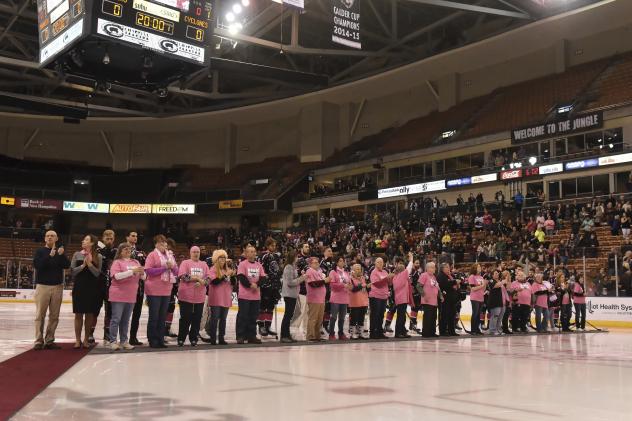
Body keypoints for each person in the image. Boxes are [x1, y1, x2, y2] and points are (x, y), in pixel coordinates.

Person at [32, 230, 70, 350]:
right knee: (40, 315)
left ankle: (49, 340)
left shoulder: (60, 251)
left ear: (56, 238)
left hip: (57, 287)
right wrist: (50, 256)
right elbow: (38, 266)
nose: (49, 237)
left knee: (54, 315)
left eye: (52, 236)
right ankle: (38, 340)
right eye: (47, 236)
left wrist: (62, 255)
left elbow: (67, 265)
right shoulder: (40, 251)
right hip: (42, 286)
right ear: (44, 239)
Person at [108, 242, 145, 351]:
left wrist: (142, 273)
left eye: (129, 249)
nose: (128, 251)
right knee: (116, 319)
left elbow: (144, 277)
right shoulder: (117, 263)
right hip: (118, 295)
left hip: (131, 295)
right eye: (125, 249)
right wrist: (132, 272)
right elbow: (117, 276)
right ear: (120, 251)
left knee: (125, 320)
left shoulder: (136, 261)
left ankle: (124, 341)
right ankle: (113, 341)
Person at [144, 235, 178, 348]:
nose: (164, 245)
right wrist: (164, 268)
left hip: (166, 289)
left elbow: (176, 271)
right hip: (154, 289)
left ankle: (160, 338)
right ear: (156, 244)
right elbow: (148, 271)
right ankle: (152, 339)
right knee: (154, 316)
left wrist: (171, 267)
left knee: (162, 316)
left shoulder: (170, 255)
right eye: (161, 243)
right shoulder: (152, 255)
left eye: (164, 243)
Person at [70, 234, 103, 349]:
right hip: (79, 287)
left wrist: (89, 265)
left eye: (86, 240)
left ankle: (85, 340)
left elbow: (98, 274)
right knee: (78, 314)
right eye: (83, 239)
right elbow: (72, 272)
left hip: (92, 288)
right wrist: (82, 266)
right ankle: (78, 340)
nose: (83, 241)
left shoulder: (98, 256)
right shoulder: (77, 254)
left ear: (92, 243)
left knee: (89, 314)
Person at [177, 246, 210, 347]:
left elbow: (208, 279)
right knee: (185, 318)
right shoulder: (185, 263)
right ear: (190, 253)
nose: (196, 254)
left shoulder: (204, 264)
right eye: (194, 252)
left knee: (197, 319)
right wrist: (196, 278)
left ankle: (193, 338)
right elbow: (183, 276)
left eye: (198, 252)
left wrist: (202, 282)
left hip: (199, 297)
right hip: (186, 296)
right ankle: (181, 338)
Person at [236, 245, 267, 344]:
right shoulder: (242, 264)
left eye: (254, 251)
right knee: (243, 316)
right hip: (244, 295)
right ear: (246, 253)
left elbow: (263, 278)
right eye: (250, 251)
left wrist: (257, 284)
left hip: (256, 296)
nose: (253, 253)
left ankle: (251, 336)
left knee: (253, 317)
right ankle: (240, 336)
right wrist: (250, 285)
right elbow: (241, 277)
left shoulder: (259, 265)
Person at [207, 249, 235, 345]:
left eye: (224, 258)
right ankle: (213, 338)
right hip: (216, 297)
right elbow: (214, 282)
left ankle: (221, 337)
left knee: (223, 318)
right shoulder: (213, 269)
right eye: (220, 258)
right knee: (215, 318)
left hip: (226, 297)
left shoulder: (227, 269)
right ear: (216, 259)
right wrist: (225, 275)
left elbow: (233, 283)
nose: (223, 260)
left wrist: (233, 275)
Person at [94, 229, 116, 344]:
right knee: (94, 310)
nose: (109, 240)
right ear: (103, 238)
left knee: (110, 312)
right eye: (107, 238)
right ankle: (90, 333)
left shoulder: (116, 251)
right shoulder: (97, 249)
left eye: (111, 238)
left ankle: (107, 333)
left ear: (114, 239)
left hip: (111, 286)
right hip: (98, 284)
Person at [257, 238, 283, 337]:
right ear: (267, 245)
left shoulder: (276, 256)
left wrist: (278, 284)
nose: (274, 247)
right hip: (265, 285)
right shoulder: (263, 255)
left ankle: (268, 327)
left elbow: (277, 270)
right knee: (263, 306)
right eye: (272, 245)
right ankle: (261, 326)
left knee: (270, 307)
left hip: (274, 285)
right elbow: (260, 268)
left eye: (275, 245)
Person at [280, 249, 305, 343]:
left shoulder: (293, 267)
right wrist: (302, 278)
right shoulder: (289, 267)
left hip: (293, 294)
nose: (297, 258)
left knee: (289, 315)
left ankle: (287, 334)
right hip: (289, 294)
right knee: (288, 315)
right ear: (293, 257)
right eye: (296, 256)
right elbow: (290, 282)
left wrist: (300, 277)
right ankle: (284, 335)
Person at [127, 231, 146, 346]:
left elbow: (144, 267)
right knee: (124, 314)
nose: (135, 238)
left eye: (136, 236)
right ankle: (122, 337)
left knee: (136, 314)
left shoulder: (141, 252)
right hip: (126, 287)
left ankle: (133, 337)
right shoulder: (121, 250)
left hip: (139, 288)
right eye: (132, 235)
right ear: (127, 237)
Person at [305, 257, 329, 342]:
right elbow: (312, 284)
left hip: (321, 299)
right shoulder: (309, 271)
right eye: (314, 263)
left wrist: (324, 281)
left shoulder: (318, 272)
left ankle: (317, 335)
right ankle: (311, 336)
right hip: (314, 298)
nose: (317, 264)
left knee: (319, 319)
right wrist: (324, 281)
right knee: (313, 318)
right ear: (310, 264)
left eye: (317, 262)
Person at [369, 257, 394, 339]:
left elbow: (389, 284)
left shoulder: (385, 272)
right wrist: (387, 278)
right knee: (375, 315)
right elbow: (376, 284)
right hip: (375, 296)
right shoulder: (374, 272)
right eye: (378, 262)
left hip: (384, 296)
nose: (380, 264)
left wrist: (391, 278)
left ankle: (380, 331)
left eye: (381, 262)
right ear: (375, 263)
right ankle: (373, 332)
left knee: (381, 315)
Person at [290, 243, 311, 339]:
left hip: (310, 290)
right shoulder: (299, 260)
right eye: (305, 246)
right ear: (301, 248)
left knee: (307, 312)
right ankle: (293, 331)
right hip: (301, 290)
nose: (308, 248)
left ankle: (306, 331)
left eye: (308, 246)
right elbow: (295, 273)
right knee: (300, 312)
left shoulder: (310, 260)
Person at [328, 255, 350, 340]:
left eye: (343, 260)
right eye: (340, 260)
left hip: (344, 297)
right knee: (333, 316)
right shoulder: (333, 272)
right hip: (336, 297)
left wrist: (349, 286)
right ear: (336, 262)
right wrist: (343, 285)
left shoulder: (346, 272)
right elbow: (332, 285)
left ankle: (341, 333)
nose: (342, 262)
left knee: (342, 317)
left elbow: (349, 283)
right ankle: (331, 334)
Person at [392, 253, 414, 338]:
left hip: (399, 299)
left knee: (401, 316)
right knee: (401, 317)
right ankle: (398, 332)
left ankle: (402, 331)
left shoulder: (395, 277)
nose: (404, 267)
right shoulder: (403, 275)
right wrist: (411, 259)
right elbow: (409, 267)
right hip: (402, 299)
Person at [420, 261, 440, 337]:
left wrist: (440, 296)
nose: (434, 268)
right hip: (427, 300)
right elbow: (419, 286)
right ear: (428, 268)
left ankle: (432, 332)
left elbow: (437, 287)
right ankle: (426, 332)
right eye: (433, 267)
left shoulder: (434, 277)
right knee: (427, 317)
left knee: (433, 317)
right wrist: (424, 295)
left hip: (434, 301)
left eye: (434, 267)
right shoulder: (424, 275)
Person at [438, 262, 459, 336]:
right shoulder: (441, 276)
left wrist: (454, 282)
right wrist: (454, 282)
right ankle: (443, 331)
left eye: (448, 267)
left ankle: (451, 330)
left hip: (451, 298)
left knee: (452, 314)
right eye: (446, 267)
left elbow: (453, 284)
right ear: (442, 268)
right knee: (444, 315)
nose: (448, 268)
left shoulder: (450, 275)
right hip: (445, 298)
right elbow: (444, 284)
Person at [348, 263, 369, 340]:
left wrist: (366, 286)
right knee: (354, 318)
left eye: (359, 269)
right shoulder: (350, 278)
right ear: (353, 270)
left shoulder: (363, 278)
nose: (359, 270)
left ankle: (361, 333)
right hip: (354, 302)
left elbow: (366, 288)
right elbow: (353, 289)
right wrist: (362, 285)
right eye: (357, 269)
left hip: (363, 301)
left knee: (361, 318)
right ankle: (352, 333)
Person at [511, 269, 531, 333]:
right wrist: (517, 290)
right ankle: (515, 328)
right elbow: (511, 292)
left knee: (525, 317)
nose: (520, 276)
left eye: (522, 275)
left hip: (527, 303)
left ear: (524, 276)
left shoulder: (528, 283)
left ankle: (523, 328)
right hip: (517, 302)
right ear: (516, 276)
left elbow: (531, 292)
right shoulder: (514, 283)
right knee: (516, 316)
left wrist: (532, 302)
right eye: (519, 275)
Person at [468, 264, 486, 335]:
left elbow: (483, 288)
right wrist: (481, 286)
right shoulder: (472, 277)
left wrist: (484, 285)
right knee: (475, 313)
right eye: (478, 267)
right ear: (474, 268)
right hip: (474, 298)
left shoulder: (481, 277)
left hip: (481, 297)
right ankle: (473, 329)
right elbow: (473, 288)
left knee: (478, 314)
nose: (480, 268)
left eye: (480, 267)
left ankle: (477, 329)